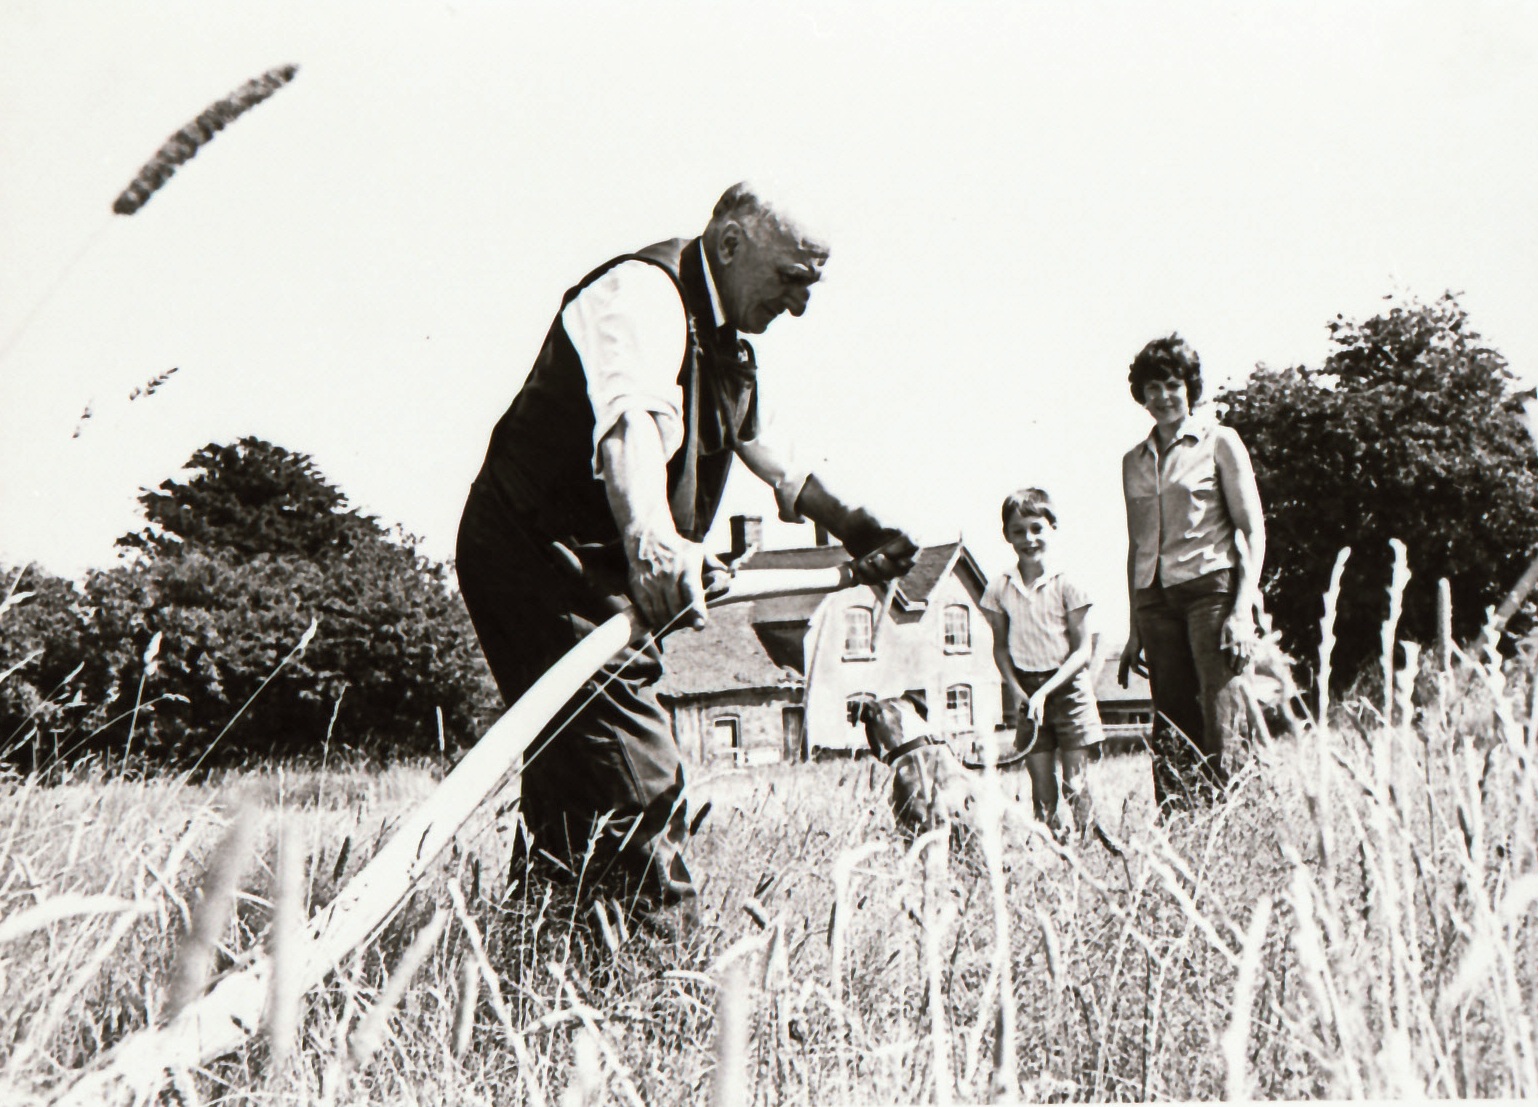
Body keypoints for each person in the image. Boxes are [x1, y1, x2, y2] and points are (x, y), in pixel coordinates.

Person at [456, 182, 917, 914]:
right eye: (791, 278)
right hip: (536, 556)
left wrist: (855, 525)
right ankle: (667, 972)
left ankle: (537, 943)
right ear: (731, 244)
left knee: (575, 771)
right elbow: (630, 427)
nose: (800, 306)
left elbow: (774, 456)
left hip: (594, 572)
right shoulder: (642, 295)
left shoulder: (729, 345)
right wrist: (653, 541)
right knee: (639, 779)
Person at [1117, 334, 1266, 811]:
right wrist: (1134, 628)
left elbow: (1252, 531)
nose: (1163, 396)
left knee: (1223, 711)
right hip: (1155, 600)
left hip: (1211, 591)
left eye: (1173, 385)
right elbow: (1137, 545)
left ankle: (1236, 819)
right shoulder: (1133, 461)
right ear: (1141, 394)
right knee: (1171, 719)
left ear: (1190, 389)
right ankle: (1180, 824)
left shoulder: (1220, 442)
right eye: (1153, 387)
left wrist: (1242, 612)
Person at [979, 488, 1102, 841]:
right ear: (1007, 535)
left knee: (1076, 784)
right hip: (1027, 691)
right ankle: (1055, 849)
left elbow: (1082, 651)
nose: (1029, 539)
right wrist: (1019, 692)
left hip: (1069, 689)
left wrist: (1045, 692)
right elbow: (1000, 648)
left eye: (1037, 529)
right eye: (1018, 531)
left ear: (1053, 527)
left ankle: (1089, 845)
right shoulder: (1000, 587)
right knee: (1043, 790)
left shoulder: (1068, 582)